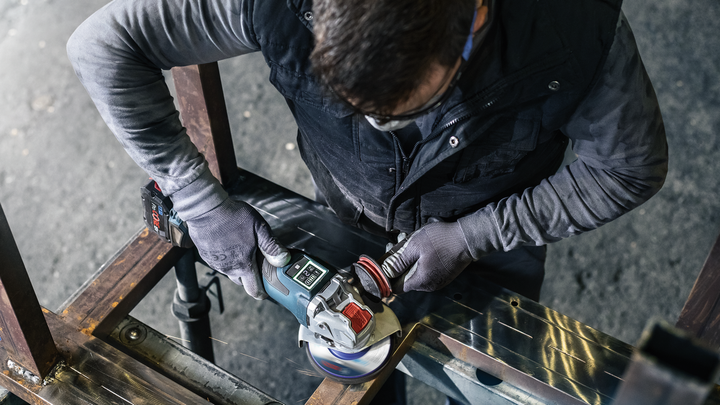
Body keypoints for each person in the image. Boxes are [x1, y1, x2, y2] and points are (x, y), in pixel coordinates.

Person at [68, 0, 667, 402]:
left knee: (488, 380)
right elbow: (101, 47)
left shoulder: (572, 28)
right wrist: (197, 197)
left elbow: (627, 170)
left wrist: (474, 236)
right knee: (367, 368)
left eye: (403, 112)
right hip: (342, 211)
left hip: (492, 244)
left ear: (476, 17)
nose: (380, 128)